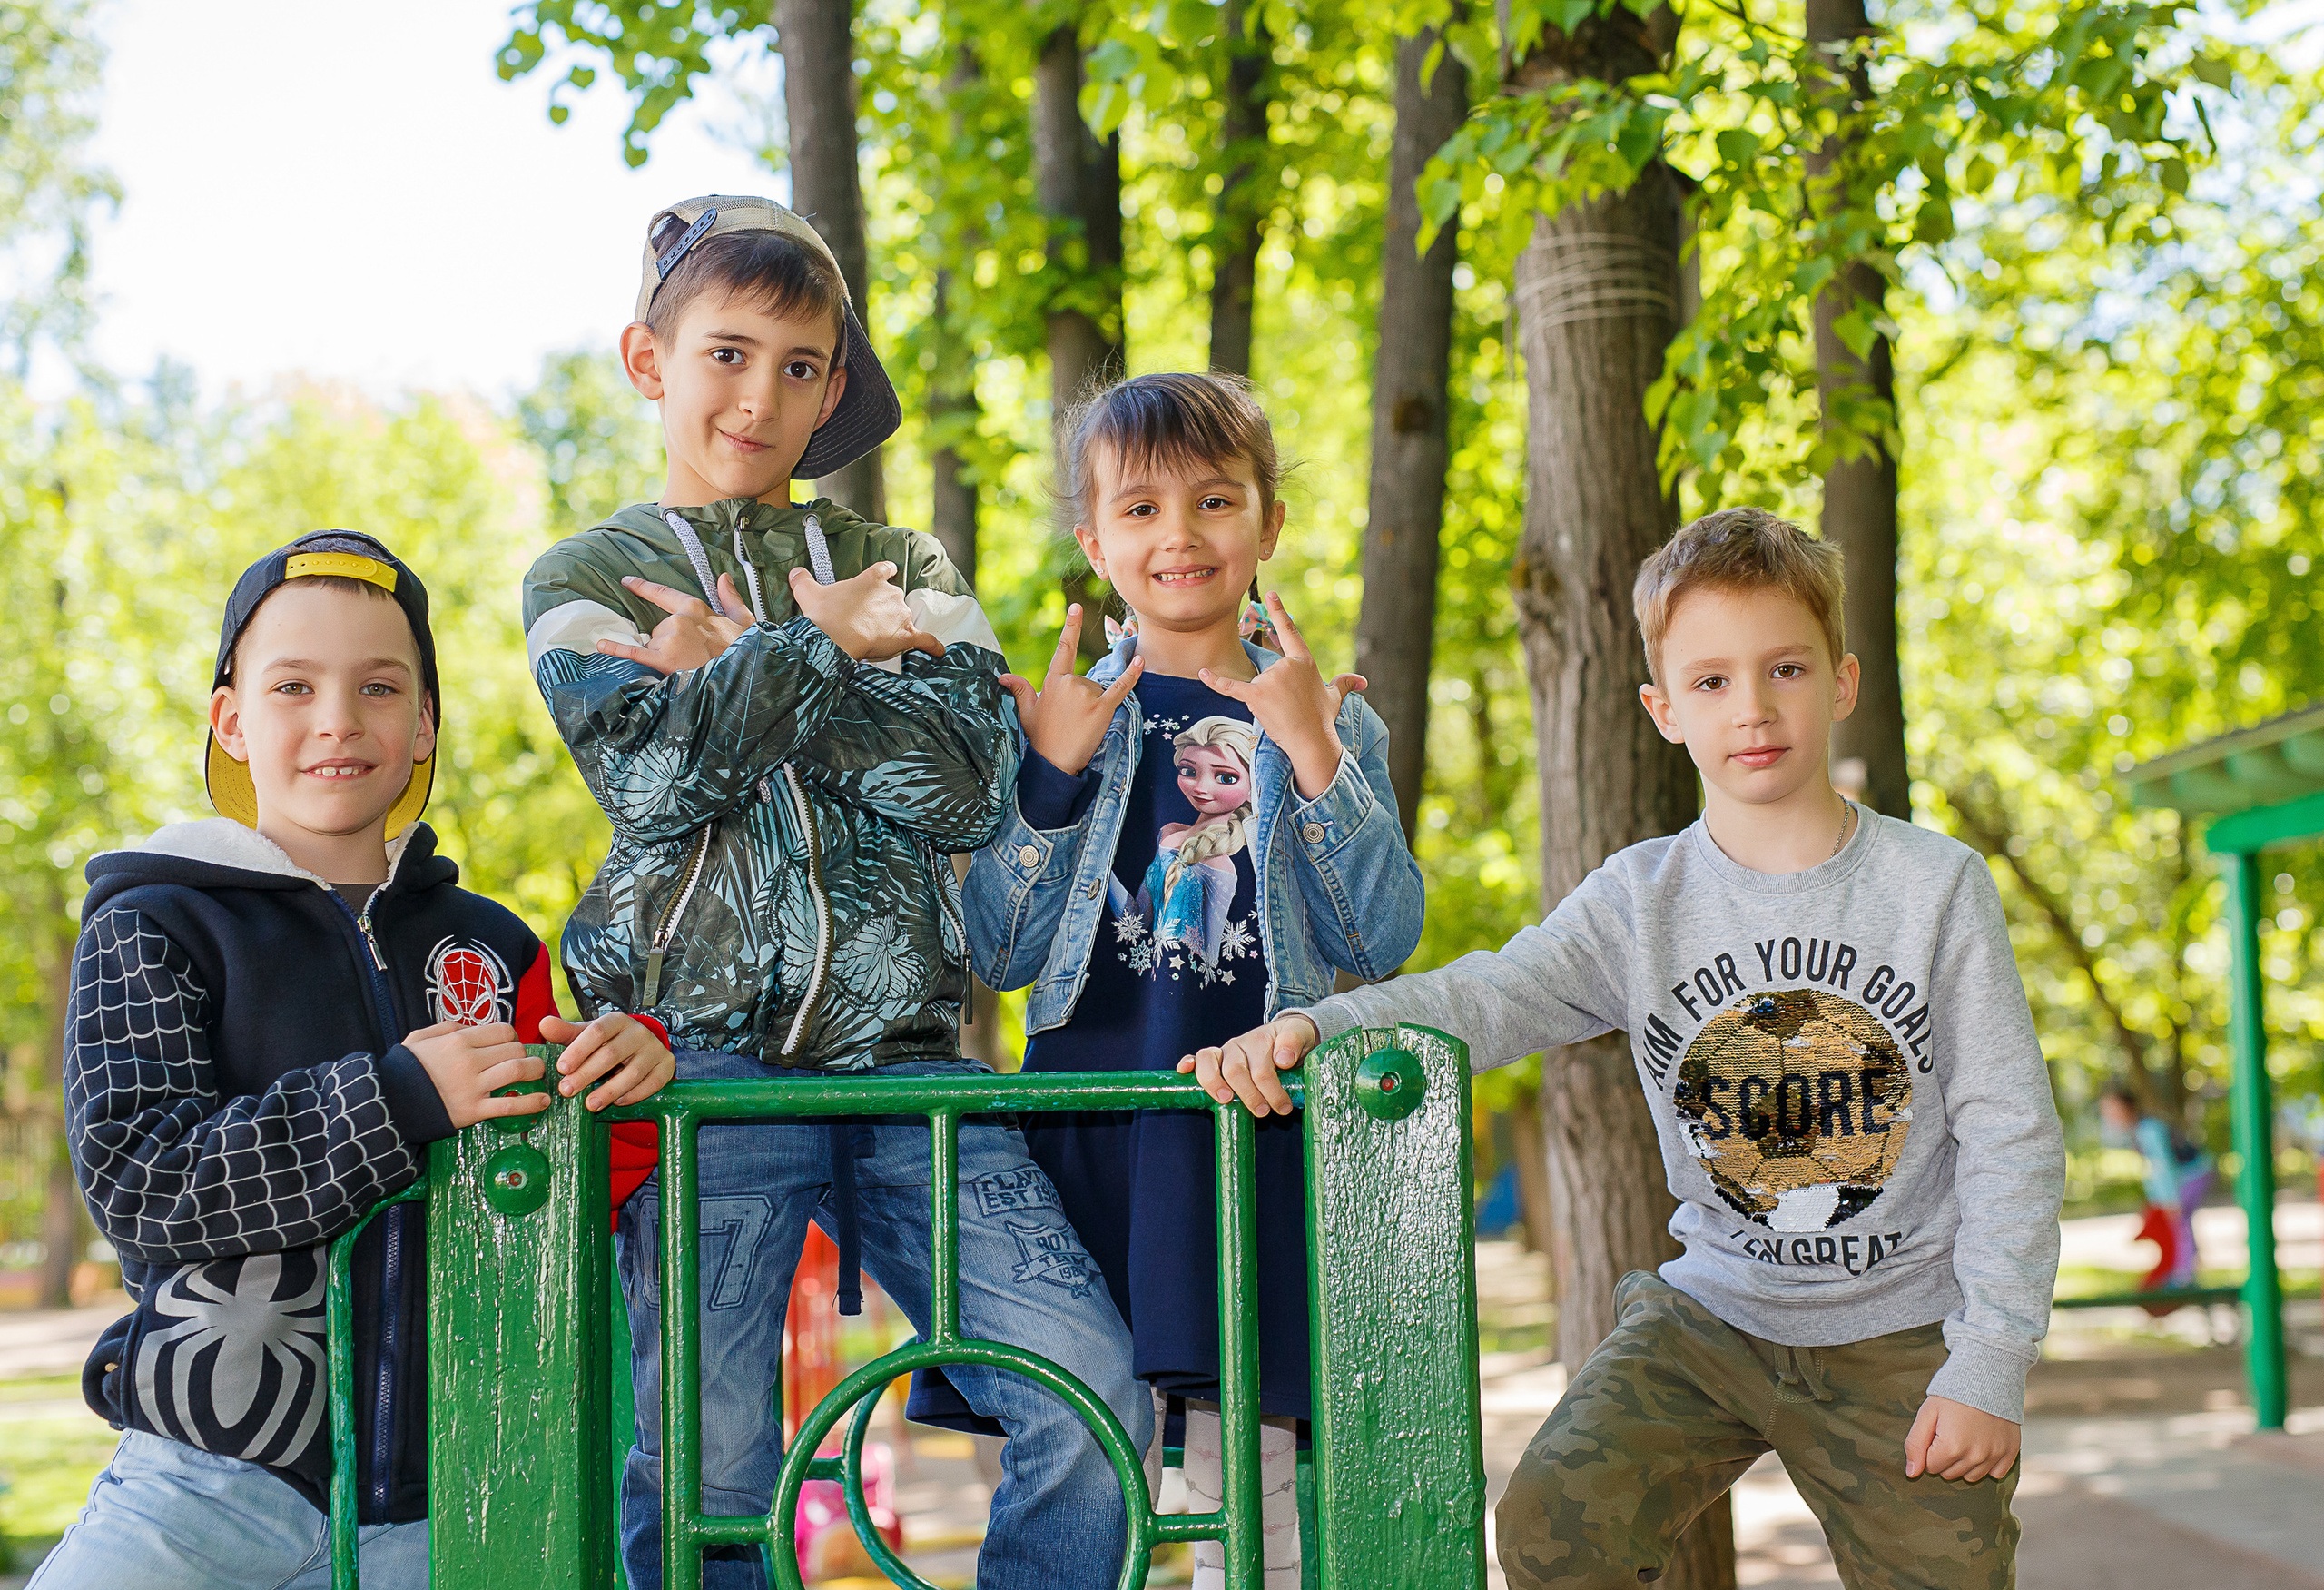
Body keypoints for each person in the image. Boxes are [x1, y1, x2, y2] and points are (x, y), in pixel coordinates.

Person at [1191, 507, 2066, 1590]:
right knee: (1556, 1526)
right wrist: (1322, 1023)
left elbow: (2010, 1134)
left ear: (1839, 682)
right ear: (1660, 708)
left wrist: (1987, 1362)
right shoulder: (1639, 901)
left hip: (1901, 1336)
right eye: (1709, 681)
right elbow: (1495, 994)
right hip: (1713, 1319)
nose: (1751, 707)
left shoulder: (1933, 888)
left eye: (1783, 668)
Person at [519, 195, 1148, 1590]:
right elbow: (655, 781)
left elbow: (972, 780)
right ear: (649, 360)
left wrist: (749, 665)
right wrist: (824, 647)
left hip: (915, 1067)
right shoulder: (578, 578)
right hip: (708, 1072)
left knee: (1092, 1397)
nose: (762, 394)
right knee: (713, 1468)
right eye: (729, 353)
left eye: (802, 365)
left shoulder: (908, 564)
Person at [36, 532, 675, 1590]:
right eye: (294, 685)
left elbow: (570, 1199)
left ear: (423, 721)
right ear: (231, 719)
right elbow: (141, 1178)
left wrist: (618, 1087)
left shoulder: (493, 945)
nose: (339, 718)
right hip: (205, 1486)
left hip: (453, 1503)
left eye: (380, 686)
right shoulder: (155, 923)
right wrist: (396, 1097)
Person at [962, 372, 1425, 1590]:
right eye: (1142, 507)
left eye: (1216, 500)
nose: (1180, 534)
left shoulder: (1326, 716)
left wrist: (1315, 749)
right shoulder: (1062, 717)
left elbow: (1383, 940)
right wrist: (1049, 778)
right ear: (1095, 540)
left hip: (1251, 1133)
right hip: (1092, 1131)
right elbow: (996, 949)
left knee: (1252, 1490)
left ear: (1268, 523)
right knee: (1079, 1454)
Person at [2098, 1082, 2213, 1291]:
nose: (2109, 1116)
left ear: (2127, 1107)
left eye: (2113, 1109)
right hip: (2188, 1174)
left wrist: (2170, 1201)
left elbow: (2164, 1167)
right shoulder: (2139, 1130)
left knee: (2179, 1222)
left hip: (2192, 1173)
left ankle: (2184, 1276)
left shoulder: (2148, 1129)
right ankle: (2187, 1269)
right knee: (2180, 1223)